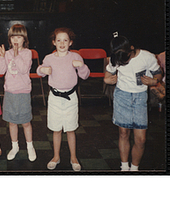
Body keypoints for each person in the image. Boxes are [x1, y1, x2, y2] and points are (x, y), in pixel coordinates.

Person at [104, 33, 162, 171]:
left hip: (140, 97)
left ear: (131, 48)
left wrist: (155, 81)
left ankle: (134, 169)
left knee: (141, 139)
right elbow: (107, 75)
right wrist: (108, 80)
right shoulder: (117, 57)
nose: (123, 60)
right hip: (122, 96)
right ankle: (124, 167)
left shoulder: (147, 57)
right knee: (123, 133)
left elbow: (158, 73)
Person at [37, 27, 90, 171]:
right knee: (56, 129)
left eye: (65, 40)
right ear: (54, 42)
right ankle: (56, 156)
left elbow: (85, 75)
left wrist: (82, 66)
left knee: (71, 129)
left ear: (70, 42)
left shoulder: (76, 57)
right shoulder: (49, 58)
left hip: (71, 98)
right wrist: (42, 70)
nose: (62, 43)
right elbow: (39, 71)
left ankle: (73, 157)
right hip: (54, 98)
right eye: (58, 40)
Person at [0, 24, 37, 162]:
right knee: (12, 122)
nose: (16, 40)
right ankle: (15, 146)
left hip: (23, 92)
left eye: (19, 37)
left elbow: (24, 69)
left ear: (24, 39)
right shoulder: (6, 53)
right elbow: (1, 71)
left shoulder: (27, 53)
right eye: (13, 37)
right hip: (10, 92)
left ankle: (30, 146)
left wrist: (16, 54)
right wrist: (2, 56)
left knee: (25, 122)